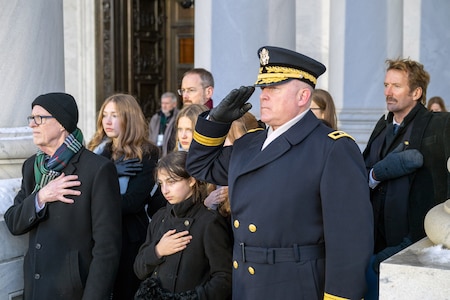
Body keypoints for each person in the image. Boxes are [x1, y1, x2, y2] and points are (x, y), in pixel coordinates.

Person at [186, 46, 374, 299]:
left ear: (303, 96)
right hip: (246, 283)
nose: (264, 96)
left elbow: (350, 239)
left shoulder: (331, 149)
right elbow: (200, 166)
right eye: (263, 88)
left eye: (274, 89)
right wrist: (216, 123)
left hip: (295, 285)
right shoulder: (249, 144)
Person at [4, 92, 122, 299]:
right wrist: (41, 197)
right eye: (31, 119)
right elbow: (13, 221)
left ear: (61, 123)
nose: (32, 124)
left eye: (39, 118)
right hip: (35, 290)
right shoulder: (32, 166)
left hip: (73, 292)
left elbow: (107, 248)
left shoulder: (98, 169)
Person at [363, 58, 450, 299]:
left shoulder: (440, 124)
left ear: (417, 92)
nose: (387, 92)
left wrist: (416, 239)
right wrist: (374, 174)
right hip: (374, 244)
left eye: (396, 86)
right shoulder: (382, 126)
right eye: (386, 84)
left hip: (415, 247)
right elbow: (364, 171)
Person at [87, 93, 163, 299]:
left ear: (129, 118)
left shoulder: (147, 154)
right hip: (98, 237)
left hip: (130, 240)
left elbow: (132, 203)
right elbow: (84, 190)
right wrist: (110, 170)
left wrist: (95, 199)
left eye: (115, 115)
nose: (108, 121)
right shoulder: (98, 151)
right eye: (105, 115)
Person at [133, 151, 232, 299]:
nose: (165, 190)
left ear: (191, 180)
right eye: (161, 183)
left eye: (171, 182)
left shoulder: (209, 221)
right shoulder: (159, 217)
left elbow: (225, 277)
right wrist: (158, 250)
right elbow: (139, 270)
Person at [204, 112, 262, 218]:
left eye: (234, 139)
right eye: (224, 139)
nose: (227, 145)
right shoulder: (215, 168)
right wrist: (207, 204)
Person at [148, 91, 179, 157]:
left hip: (171, 153)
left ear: (174, 104)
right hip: (156, 152)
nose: (164, 106)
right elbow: (150, 134)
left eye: (167, 103)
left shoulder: (179, 117)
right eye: (162, 103)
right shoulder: (156, 117)